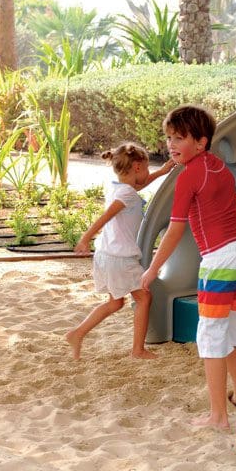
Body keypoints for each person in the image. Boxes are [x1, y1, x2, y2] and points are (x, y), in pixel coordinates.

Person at [141, 105, 236, 429]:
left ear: (201, 142)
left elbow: (175, 230)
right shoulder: (220, 167)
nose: (172, 145)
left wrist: (152, 269)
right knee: (228, 331)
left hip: (220, 259)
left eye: (180, 138)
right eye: (169, 138)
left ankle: (218, 416)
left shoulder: (189, 175)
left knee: (210, 338)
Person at [66, 143, 174, 360]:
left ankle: (77, 334)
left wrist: (161, 172)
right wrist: (85, 238)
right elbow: (105, 216)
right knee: (144, 298)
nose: (146, 173)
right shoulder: (125, 194)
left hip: (106, 255)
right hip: (120, 258)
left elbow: (138, 187)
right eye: (145, 169)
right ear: (136, 167)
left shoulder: (120, 188)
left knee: (115, 302)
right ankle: (138, 350)